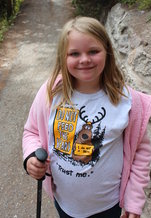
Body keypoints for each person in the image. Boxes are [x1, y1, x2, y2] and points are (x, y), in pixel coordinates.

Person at [22, 16, 151, 218]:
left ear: (107, 52)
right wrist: (30, 156)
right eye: (74, 53)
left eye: (93, 51)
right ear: (63, 58)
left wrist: (134, 201)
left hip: (108, 205)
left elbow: (141, 153)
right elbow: (31, 132)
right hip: (64, 203)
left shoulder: (127, 102)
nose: (84, 59)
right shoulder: (51, 94)